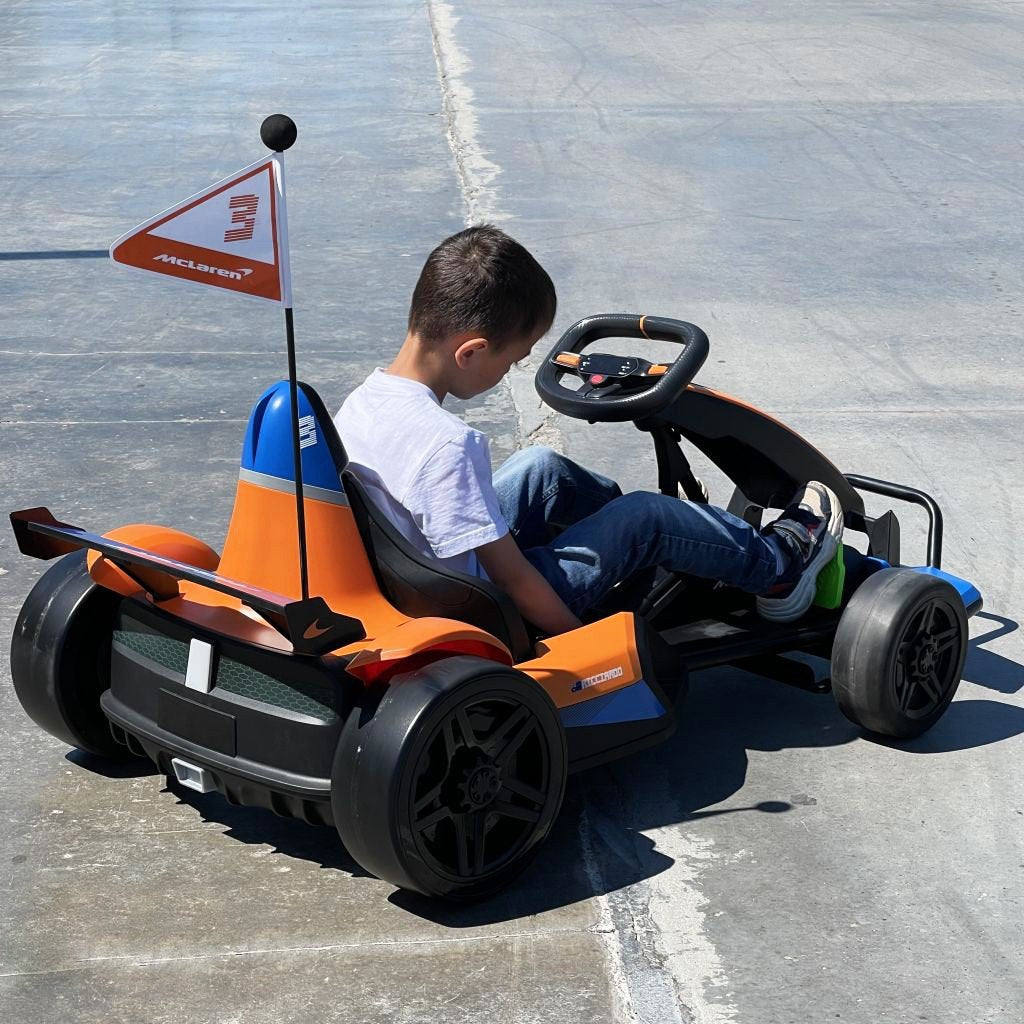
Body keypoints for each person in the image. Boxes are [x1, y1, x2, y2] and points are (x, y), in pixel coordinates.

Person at [335, 224, 843, 637]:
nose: (513, 370)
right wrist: (585, 645)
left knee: (542, 468)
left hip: (419, 577)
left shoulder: (363, 403)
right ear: (470, 352)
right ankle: (780, 567)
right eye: (513, 360)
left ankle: (672, 549)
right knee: (646, 516)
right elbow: (514, 581)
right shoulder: (448, 444)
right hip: (487, 612)